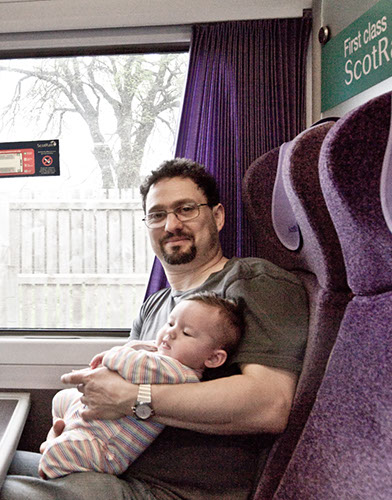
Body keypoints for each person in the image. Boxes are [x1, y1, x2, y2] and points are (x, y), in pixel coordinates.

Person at [0, 158, 308, 500]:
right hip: (112, 465)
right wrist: (70, 420)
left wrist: (133, 399)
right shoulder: (156, 305)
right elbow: (110, 391)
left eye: (186, 209)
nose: (171, 224)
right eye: (157, 214)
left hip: (167, 492)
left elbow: (269, 404)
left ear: (217, 216)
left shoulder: (251, 283)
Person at [39, 292, 243, 479]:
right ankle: (65, 433)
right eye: (170, 324)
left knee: (56, 453)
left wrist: (123, 349)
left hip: (104, 446)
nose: (170, 333)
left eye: (187, 333)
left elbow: (130, 363)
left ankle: (53, 458)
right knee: (61, 398)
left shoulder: (178, 372)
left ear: (214, 358)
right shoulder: (161, 359)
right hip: (93, 423)